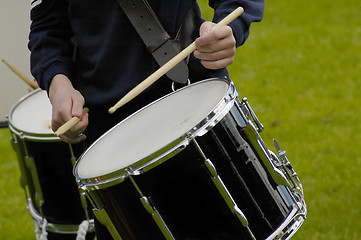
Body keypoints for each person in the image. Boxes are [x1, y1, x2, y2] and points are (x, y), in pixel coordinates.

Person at [28, 0, 264, 239]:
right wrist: (57, 83)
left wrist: (231, 28)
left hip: (194, 107)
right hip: (108, 134)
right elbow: (47, 27)